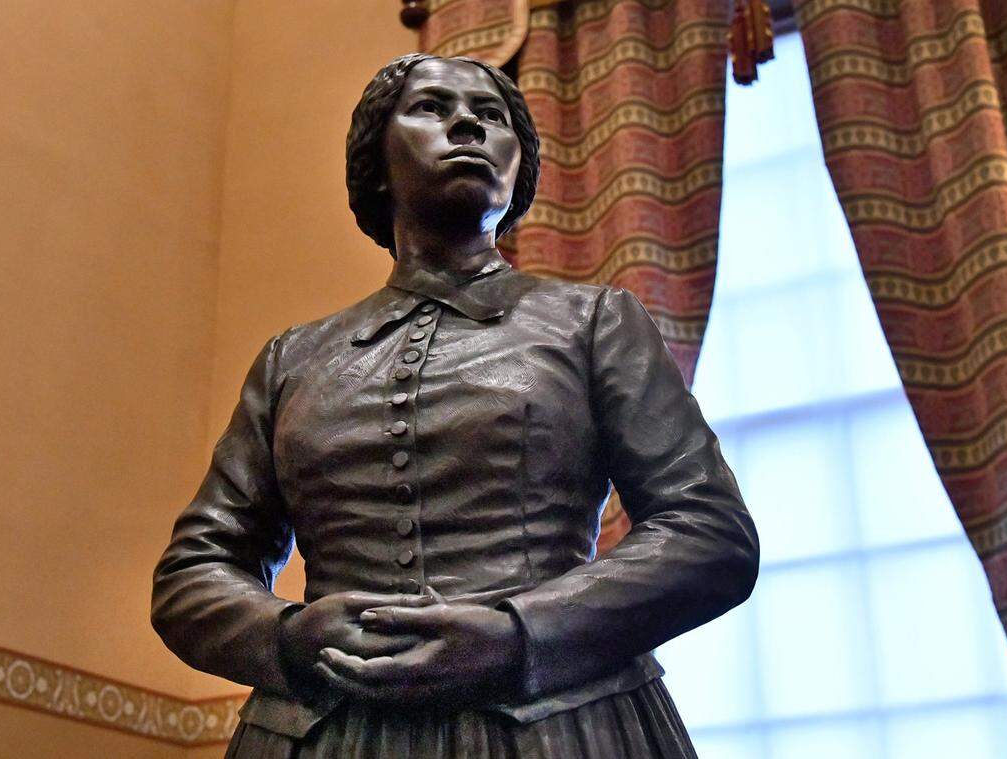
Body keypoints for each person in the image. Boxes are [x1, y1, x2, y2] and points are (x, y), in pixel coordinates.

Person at [151, 53, 759, 758]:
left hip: (562, 725)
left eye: (492, 116)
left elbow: (709, 531)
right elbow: (194, 570)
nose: (467, 122)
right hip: (326, 733)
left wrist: (518, 632)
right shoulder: (293, 360)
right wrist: (289, 637)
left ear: (517, 167)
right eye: (432, 108)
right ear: (376, 161)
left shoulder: (593, 322)